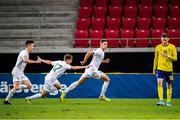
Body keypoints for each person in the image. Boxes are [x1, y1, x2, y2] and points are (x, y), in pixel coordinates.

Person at [25, 54, 89, 103]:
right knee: (43, 95)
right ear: (67, 60)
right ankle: (29, 98)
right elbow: (75, 67)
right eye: (70, 60)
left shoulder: (58, 61)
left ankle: (50, 91)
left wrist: (42, 60)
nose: (71, 61)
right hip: (49, 79)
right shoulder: (65, 65)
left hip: (52, 78)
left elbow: (49, 62)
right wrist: (85, 66)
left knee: (59, 87)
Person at [4, 40, 41, 105]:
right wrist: (36, 62)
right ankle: (6, 100)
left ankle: (14, 87)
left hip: (20, 73)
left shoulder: (26, 53)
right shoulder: (24, 52)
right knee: (17, 87)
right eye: (32, 46)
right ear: (28, 46)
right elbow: (25, 60)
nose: (33, 47)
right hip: (17, 72)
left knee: (29, 86)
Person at [153, 33, 177, 106]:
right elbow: (156, 58)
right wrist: (154, 68)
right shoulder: (158, 47)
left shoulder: (172, 47)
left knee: (168, 85)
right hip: (160, 69)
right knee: (159, 83)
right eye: (163, 40)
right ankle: (161, 101)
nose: (164, 41)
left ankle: (168, 101)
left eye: (165, 40)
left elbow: (175, 58)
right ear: (161, 39)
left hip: (169, 69)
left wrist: (167, 56)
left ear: (168, 39)